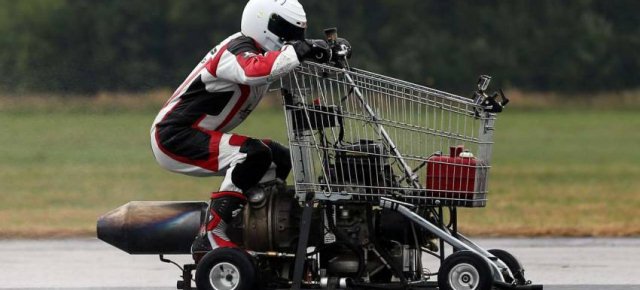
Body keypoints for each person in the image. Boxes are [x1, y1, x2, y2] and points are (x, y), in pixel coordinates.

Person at [149, 0, 331, 257]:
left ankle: (259, 227)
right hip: (173, 135)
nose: (291, 39)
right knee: (251, 155)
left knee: (278, 158)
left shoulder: (259, 50)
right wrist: (299, 50)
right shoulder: (235, 50)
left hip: (191, 132)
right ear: (263, 22)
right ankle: (211, 234)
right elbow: (253, 70)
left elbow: (284, 61)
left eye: (296, 33)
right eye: (287, 31)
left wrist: (326, 50)